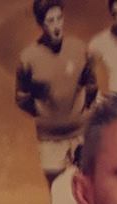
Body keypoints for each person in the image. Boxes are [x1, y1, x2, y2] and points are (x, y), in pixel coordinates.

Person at [15, 0, 97, 186]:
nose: (56, 26)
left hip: (80, 134)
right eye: (50, 21)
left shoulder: (79, 48)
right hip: (50, 141)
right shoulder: (28, 57)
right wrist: (45, 113)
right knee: (58, 192)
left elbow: (91, 84)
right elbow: (21, 97)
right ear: (40, 24)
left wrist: (81, 111)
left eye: (59, 18)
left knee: (89, 188)